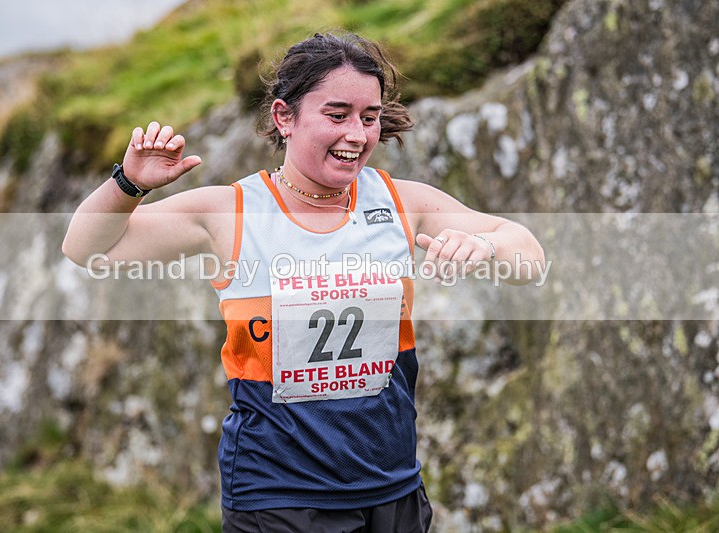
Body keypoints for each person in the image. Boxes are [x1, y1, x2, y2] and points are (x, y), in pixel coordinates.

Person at [63, 32, 544, 533]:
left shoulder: (402, 203)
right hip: (279, 494)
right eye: (337, 116)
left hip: (392, 486)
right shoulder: (233, 211)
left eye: (369, 117)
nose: (357, 134)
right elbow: (86, 248)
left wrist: (486, 248)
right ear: (284, 117)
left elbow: (528, 254)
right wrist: (129, 183)